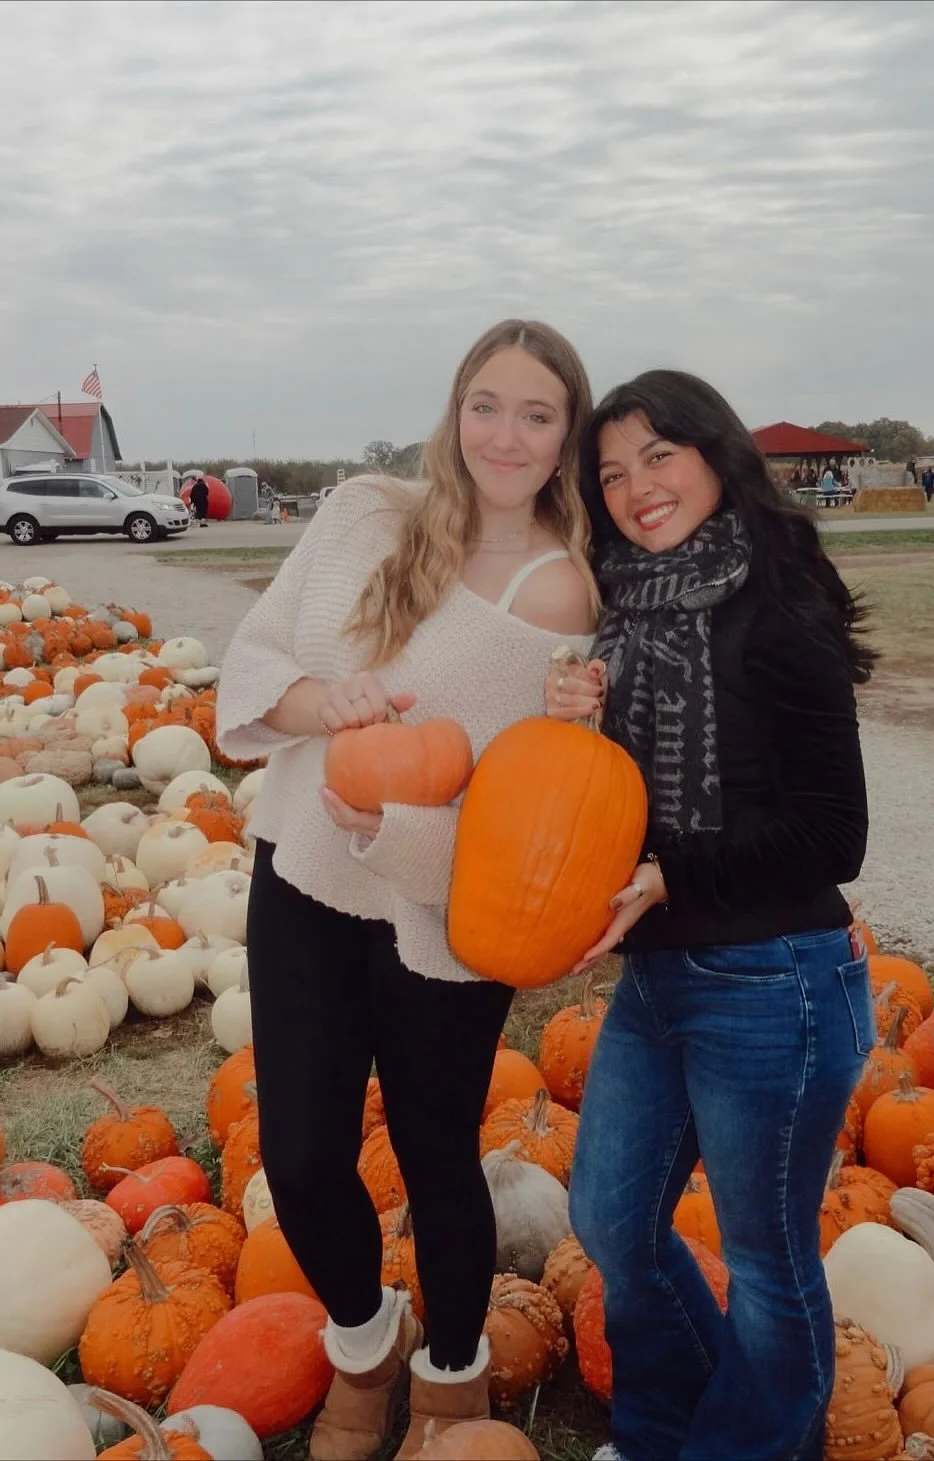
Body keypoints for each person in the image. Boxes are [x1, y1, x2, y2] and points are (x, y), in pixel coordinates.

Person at [216, 320, 597, 1461]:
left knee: (437, 1157)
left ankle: (449, 1376)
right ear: (453, 409)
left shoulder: (559, 593)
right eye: (487, 404)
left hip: (444, 910)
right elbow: (259, 653)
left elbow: (522, 812)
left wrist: (395, 825)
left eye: (537, 414)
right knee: (299, 1155)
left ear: (566, 433)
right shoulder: (360, 517)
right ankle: (362, 1341)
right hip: (309, 875)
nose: (506, 434)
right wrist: (314, 710)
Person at [546, 370, 876, 1461]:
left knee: (770, 1263)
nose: (636, 487)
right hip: (661, 975)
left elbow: (836, 836)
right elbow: (617, 815)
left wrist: (672, 879)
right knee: (610, 1223)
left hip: (775, 982)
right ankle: (666, 1428)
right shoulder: (623, 613)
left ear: (713, 453)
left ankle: (737, 1445)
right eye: (610, 471)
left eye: (657, 455)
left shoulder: (778, 601)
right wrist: (578, 729)